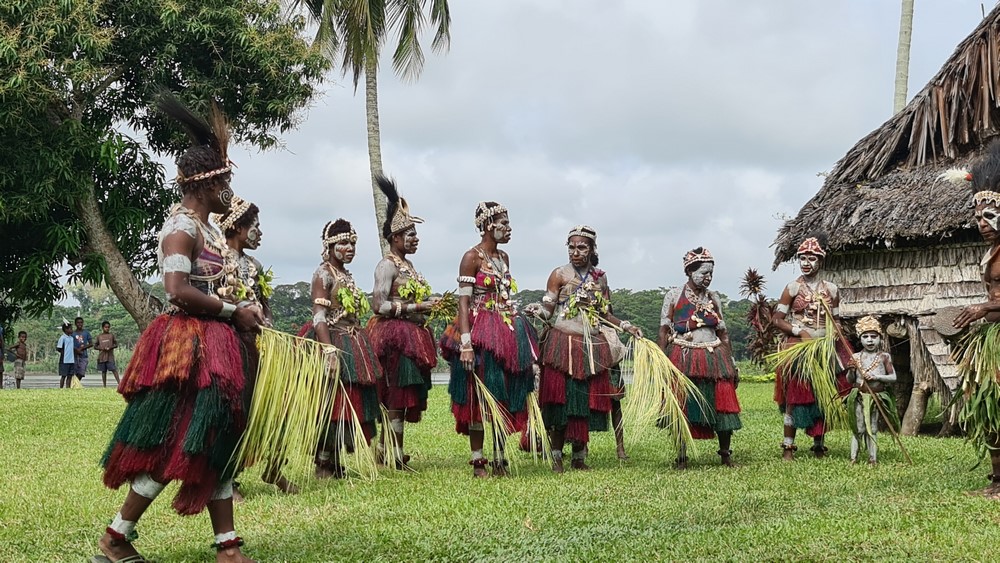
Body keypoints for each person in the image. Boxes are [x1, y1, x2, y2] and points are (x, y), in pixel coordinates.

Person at [96, 95, 258, 563]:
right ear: (205, 185)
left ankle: (227, 547)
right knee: (179, 441)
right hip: (190, 349)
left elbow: (218, 285)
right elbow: (176, 290)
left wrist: (245, 309)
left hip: (218, 345)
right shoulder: (181, 230)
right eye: (225, 182)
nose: (230, 191)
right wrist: (231, 311)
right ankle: (115, 536)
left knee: (213, 439)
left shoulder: (210, 230)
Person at [525, 225, 641, 473]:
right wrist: (537, 310)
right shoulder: (559, 274)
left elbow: (605, 313)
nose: (575, 252)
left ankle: (579, 456)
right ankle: (557, 456)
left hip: (591, 345)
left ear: (592, 249)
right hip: (562, 343)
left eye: (581, 248)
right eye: (571, 247)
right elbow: (548, 309)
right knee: (560, 401)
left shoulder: (600, 278)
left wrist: (626, 325)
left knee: (582, 400)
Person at [440, 202, 539, 477]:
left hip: (506, 329)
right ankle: (478, 461)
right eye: (503, 223)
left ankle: (500, 458)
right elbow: (463, 303)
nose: (509, 228)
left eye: (508, 222)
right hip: (480, 331)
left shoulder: (504, 257)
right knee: (477, 396)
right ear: (487, 225)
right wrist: (466, 344)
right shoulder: (471, 257)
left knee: (502, 393)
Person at [216, 196, 296, 497]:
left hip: (260, 345)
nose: (260, 233)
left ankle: (274, 466)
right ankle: (229, 479)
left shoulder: (254, 265)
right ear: (237, 227)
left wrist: (269, 326)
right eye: (255, 227)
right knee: (238, 410)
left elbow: (265, 304)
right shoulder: (217, 260)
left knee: (277, 404)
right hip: (230, 344)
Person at [368, 176, 439, 470]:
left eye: (415, 234)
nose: (415, 239)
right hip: (392, 337)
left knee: (401, 396)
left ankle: (388, 450)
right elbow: (378, 305)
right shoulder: (387, 265)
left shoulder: (409, 266)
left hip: (413, 337)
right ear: (394, 238)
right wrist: (417, 306)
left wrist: (432, 304)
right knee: (394, 394)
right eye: (409, 234)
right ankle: (393, 454)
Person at [308, 219, 382, 479]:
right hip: (333, 341)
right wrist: (328, 350)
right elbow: (319, 315)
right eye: (343, 243)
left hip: (352, 341)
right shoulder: (323, 274)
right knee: (332, 403)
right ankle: (323, 461)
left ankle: (336, 460)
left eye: (352, 243)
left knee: (349, 401)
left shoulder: (346, 275)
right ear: (329, 246)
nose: (350, 248)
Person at [948, 142, 1000, 496]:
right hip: (993, 337)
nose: (982, 224)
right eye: (978, 218)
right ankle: (997, 479)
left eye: (990, 216)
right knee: (990, 405)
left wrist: (982, 309)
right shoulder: (992, 252)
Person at [659, 247, 742, 468]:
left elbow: (723, 332)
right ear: (689, 271)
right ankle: (681, 455)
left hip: (714, 354)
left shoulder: (714, 297)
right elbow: (664, 330)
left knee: (722, 401)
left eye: (711, 273)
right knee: (682, 403)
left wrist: (731, 362)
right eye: (704, 272)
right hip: (683, 354)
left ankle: (725, 454)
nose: (708, 277)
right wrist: (660, 359)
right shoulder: (674, 295)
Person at [771, 234, 849, 461]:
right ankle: (788, 447)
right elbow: (777, 319)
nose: (806, 263)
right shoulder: (792, 288)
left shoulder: (831, 289)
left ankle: (819, 444)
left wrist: (836, 336)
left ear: (820, 261)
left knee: (824, 395)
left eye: (811, 258)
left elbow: (837, 320)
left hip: (824, 348)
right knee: (796, 396)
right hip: (799, 348)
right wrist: (799, 331)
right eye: (802, 258)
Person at [846, 316, 896, 465]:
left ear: (880, 338)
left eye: (873, 337)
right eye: (865, 336)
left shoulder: (884, 357)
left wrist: (876, 377)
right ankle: (853, 458)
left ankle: (872, 458)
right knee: (858, 427)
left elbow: (893, 377)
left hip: (875, 397)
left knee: (873, 428)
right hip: (859, 396)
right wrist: (851, 370)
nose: (869, 340)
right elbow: (850, 380)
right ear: (860, 339)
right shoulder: (855, 357)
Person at [95, 321, 120, 388]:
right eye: (106, 327)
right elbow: (95, 346)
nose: (107, 328)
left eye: (108, 327)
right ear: (103, 328)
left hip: (110, 356)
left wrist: (110, 347)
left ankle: (119, 384)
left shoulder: (111, 335)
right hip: (102, 356)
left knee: (114, 369)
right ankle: (104, 386)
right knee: (103, 371)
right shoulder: (99, 336)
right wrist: (101, 348)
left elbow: (116, 344)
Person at [73, 316, 93, 381]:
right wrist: (76, 349)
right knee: (75, 372)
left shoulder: (86, 332)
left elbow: (91, 344)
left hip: (83, 355)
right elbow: (70, 344)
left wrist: (82, 348)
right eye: (78, 323)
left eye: (81, 322)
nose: (80, 324)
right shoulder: (72, 333)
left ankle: (76, 382)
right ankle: (75, 384)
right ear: (75, 324)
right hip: (74, 356)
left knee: (81, 372)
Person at [56, 322, 75, 389]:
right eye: (70, 329)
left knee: (70, 375)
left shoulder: (71, 338)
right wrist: (64, 353)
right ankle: (61, 388)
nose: (72, 330)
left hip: (71, 360)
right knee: (63, 375)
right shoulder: (63, 338)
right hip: (64, 360)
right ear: (66, 330)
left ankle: (68, 388)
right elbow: (58, 348)